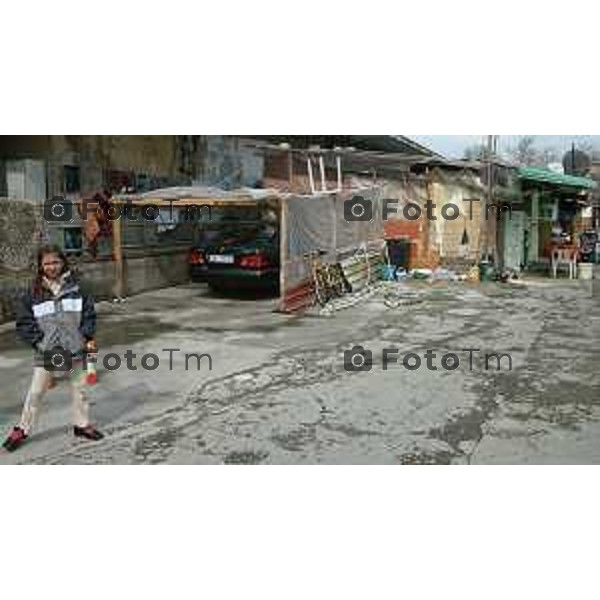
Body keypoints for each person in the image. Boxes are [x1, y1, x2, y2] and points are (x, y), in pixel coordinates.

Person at [2, 245, 104, 453]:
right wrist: (40, 342)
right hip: (48, 351)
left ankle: (81, 425)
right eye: (47, 263)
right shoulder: (33, 292)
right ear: (40, 266)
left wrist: (84, 337)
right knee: (36, 391)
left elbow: (89, 316)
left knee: (80, 389)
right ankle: (23, 428)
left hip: (76, 349)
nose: (52, 266)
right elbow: (24, 322)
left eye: (55, 262)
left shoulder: (77, 288)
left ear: (63, 263)